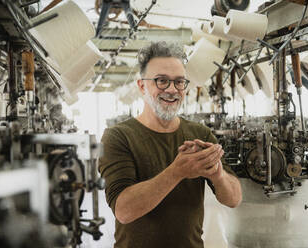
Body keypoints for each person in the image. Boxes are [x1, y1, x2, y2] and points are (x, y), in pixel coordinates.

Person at [98, 41, 242, 248]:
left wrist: (217, 174)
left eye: (179, 82)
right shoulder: (118, 137)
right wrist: (177, 171)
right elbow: (124, 211)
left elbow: (234, 199)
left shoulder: (200, 134)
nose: (172, 90)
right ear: (142, 86)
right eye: (161, 81)